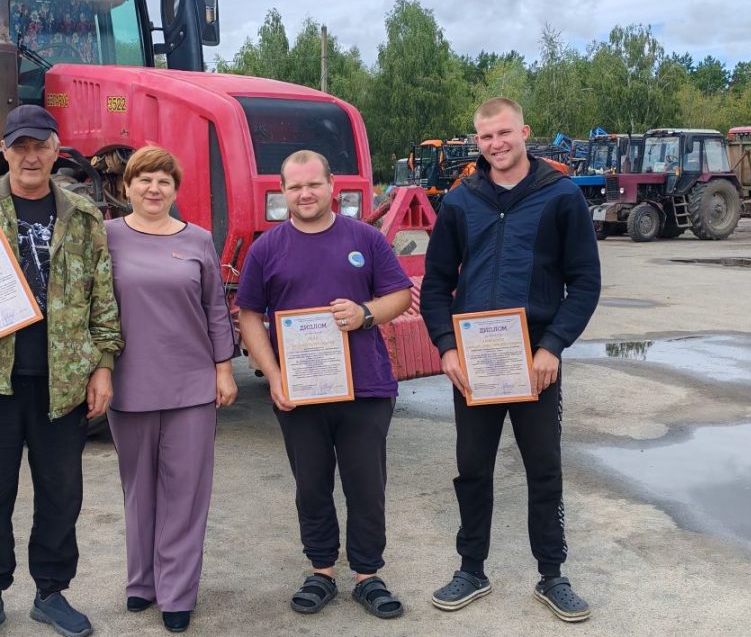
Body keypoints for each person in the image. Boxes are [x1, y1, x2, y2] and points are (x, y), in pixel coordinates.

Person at [0, 104, 123, 637]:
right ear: (5, 152)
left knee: (61, 494)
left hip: (62, 383)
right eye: (20, 147)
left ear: (57, 151)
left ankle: (51, 593)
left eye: (40, 146)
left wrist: (103, 366)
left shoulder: (83, 214)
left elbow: (103, 298)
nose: (30, 157)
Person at [419, 97, 601, 622]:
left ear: (524, 131)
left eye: (504, 133)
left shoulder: (561, 196)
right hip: (474, 360)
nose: (495, 144)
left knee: (543, 468)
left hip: (535, 358)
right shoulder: (461, 201)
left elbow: (584, 282)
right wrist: (446, 347)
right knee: (472, 468)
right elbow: (436, 284)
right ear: (476, 141)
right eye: (485, 136)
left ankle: (552, 575)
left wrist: (553, 346)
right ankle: (471, 569)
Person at [236, 150, 413, 620]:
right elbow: (249, 316)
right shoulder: (267, 249)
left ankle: (368, 575)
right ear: (282, 191)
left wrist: (365, 313)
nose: (305, 194)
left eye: (313, 184)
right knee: (311, 485)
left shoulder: (365, 238)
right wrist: (274, 376)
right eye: (295, 187)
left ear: (331, 185)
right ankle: (321, 572)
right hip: (300, 392)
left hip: (366, 387)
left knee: (366, 485)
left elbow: (399, 294)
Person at [104, 146, 238, 633]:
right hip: (129, 383)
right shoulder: (107, 236)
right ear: (127, 187)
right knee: (138, 488)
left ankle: (177, 592)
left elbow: (215, 309)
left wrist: (224, 368)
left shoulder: (198, 240)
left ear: (175, 190)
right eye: (144, 179)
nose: (153, 188)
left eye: (164, 180)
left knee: (185, 492)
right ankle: (142, 582)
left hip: (191, 385)